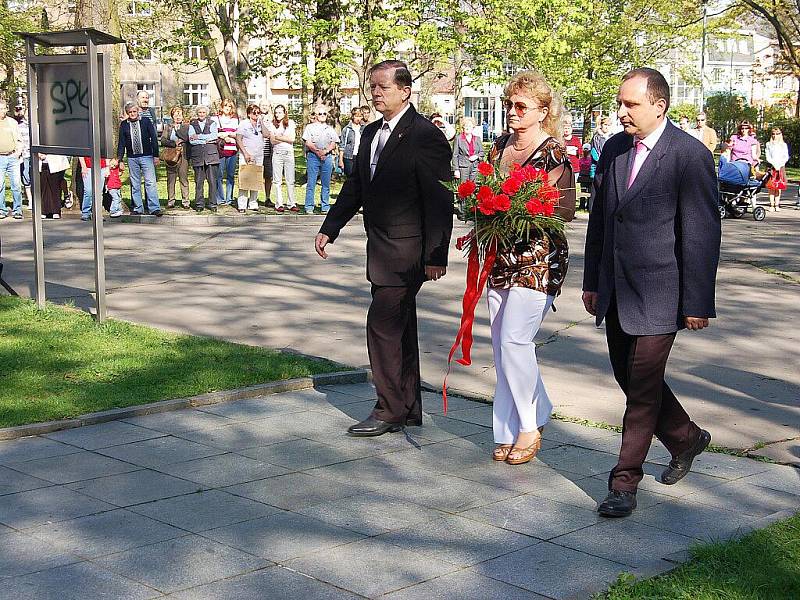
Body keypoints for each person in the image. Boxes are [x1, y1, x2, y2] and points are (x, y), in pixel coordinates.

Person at [583, 68, 720, 518]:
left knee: (641, 389)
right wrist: (591, 282)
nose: (621, 112)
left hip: (663, 292)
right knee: (629, 375)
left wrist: (697, 302)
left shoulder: (689, 155)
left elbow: (700, 232)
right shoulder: (616, 149)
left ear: (659, 105)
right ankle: (686, 437)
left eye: (631, 104)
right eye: (620, 103)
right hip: (617, 290)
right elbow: (601, 221)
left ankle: (624, 483)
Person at [314, 59, 453, 436]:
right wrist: (331, 228)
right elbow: (356, 187)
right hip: (380, 249)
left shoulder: (425, 134)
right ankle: (406, 408)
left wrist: (436, 255)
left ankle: (388, 408)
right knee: (400, 328)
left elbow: (439, 200)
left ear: (405, 90)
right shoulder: (370, 132)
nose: (375, 93)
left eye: (383, 87)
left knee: (382, 326)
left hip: (409, 252)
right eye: (372, 87)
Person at [485, 71, 576, 464]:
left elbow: (567, 208)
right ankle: (511, 426)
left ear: (543, 111)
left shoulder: (554, 152)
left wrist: (525, 209)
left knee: (514, 342)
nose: (511, 111)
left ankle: (528, 426)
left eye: (520, 106)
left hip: (540, 257)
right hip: (499, 255)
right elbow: (485, 191)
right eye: (508, 104)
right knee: (501, 347)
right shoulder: (499, 146)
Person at [117, 101, 162, 216]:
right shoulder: (124, 125)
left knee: (150, 182)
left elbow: (154, 138)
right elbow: (121, 143)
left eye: (134, 111)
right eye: (130, 112)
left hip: (147, 156)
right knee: (135, 183)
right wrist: (120, 159)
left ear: (138, 112)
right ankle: (138, 207)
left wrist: (156, 155)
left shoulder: (145, 121)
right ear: (127, 113)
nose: (132, 114)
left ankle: (154, 208)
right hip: (132, 158)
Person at [302, 105, 339, 214]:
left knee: (326, 183)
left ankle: (325, 206)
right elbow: (307, 142)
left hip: (326, 157)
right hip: (313, 156)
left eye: (324, 114)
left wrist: (326, 151)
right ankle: (309, 206)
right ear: (316, 115)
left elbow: (334, 143)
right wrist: (318, 152)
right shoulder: (310, 127)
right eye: (320, 114)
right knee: (311, 182)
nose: (322, 116)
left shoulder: (330, 128)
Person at [188, 105, 220, 213]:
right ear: (197, 114)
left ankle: (213, 203)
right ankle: (199, 204)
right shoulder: (192, 125)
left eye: (203, 112)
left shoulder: (212, 123)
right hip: (198, 156)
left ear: (206, 113)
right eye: (200, 112)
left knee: (212, 181)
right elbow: (192, 140)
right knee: (199, 182)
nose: (201, 114)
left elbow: (214, 136)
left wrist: (199, 137)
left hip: (211, 155)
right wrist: (206, 140)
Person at [267, 104, 298, 213]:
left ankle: (291, 203)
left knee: (290, 179)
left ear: (284, 113)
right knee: (277, 179)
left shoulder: (291, 123)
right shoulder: (272, 125)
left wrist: (279, 137)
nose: (278, 114)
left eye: (280, 112)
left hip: (288, 153)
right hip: (277, 153)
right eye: (276, 112)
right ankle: (279, 203)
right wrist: (284, 139)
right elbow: (272, 141)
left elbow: (292, 139)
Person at [236, 104, 265, 213]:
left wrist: (261, 122)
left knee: (256, 178)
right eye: (254, 112)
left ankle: (253, 203)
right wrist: (245, 153)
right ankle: (242, 204)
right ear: (249, 114)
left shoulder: (260, 124)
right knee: (245, 177)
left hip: (258, 154)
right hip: (246, 154)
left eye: (258, 113)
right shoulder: (244, 124)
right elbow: (239, 139)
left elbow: (266, 134)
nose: (256, 114)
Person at [161, 106, 191, 209]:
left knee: (183, 178)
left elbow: (189, 138)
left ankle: (186, 201)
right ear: (172, 116)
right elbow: (163, 140)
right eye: (175, 114)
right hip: (171, 154)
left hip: (184, 154)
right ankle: (171, 200)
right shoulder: (168, 127)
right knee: (171, 178)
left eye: (180, 114)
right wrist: (174, 143)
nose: (178, 116)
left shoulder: (187, 126)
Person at [0, 99, 23, 220]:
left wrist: (18, 152)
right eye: (1, 109)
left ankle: (17, 210)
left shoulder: (12, 122)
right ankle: (2, 209)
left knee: (16, 185)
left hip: (12, 157)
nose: (3, 111)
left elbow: (19, 139)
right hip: (0, 158)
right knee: (0, 185)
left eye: (4, 109)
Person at [215, 98, 240, 207]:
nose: (227, 108)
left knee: (230, 175)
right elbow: (214, 133)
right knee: (219, 175)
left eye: (229, 106)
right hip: (220, 150)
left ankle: (229, 198)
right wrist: (225, 136)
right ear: (222, 106)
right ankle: (220, 198)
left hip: (232, 150)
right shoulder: (216, 119)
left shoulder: (235, 120)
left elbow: (238, 134)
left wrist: (228, 134)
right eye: (225, 106)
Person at [452, 116, 484, 182]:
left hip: (475, 167)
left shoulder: (477, 139)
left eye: (470, 126)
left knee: (474, 187)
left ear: (473, 127)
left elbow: (482, 152)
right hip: (463, 168)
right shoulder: (458, 138)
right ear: (463, 127)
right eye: (466, 125)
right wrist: (456, 170)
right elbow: (455, 155)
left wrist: (476, 156)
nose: (467, 127)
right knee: (464, 188)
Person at [38, 154, 70, 219]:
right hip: (42, 162)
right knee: (44, 188)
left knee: (55, 188)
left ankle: (56, 211)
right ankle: (44, 211)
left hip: (56, 161)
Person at [765, 127, 789, 212]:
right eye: (773, 134)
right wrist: (774, 164)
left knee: (778, 186)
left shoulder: (783, 145)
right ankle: (771, 204)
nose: (775, 136)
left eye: (777, 134)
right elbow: (768, 156)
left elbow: (786, 156)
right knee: (771, 186)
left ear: (780, 135)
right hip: (772, 166)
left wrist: (780, 165)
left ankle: (777, 204)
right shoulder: (768, 144)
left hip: (780, 166)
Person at [13, 105, 32, 210]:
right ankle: (30, 200)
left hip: (35, 155)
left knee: (36, 177)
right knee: (26, 177)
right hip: (24, 155)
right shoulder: (19, 126)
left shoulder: (38, 125)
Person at [78, 155, 108, 221]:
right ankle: (86, 212)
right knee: (88, 191)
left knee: (99, 192)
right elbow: (80, 154)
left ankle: (98, 213)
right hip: (88, 167)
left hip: (101, 167)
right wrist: (83, 166)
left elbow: (106, 152)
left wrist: (107, 167)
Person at [339, 107, 364, 177]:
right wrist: (340, 160)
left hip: (360, 156)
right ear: (353, 116)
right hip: (349, 157)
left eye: (360, 116)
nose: (358, 118)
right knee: (350, 178)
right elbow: (342, 145)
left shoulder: (364, 128)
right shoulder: (347, 129)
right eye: (356, 116)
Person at [259, 102, 274, 207]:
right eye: (262, 105)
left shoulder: (273, 119)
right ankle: (252, 199)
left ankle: (267, 198)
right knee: (255, 175)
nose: (264, 107)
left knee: (268, 176)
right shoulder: (255, 117)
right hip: (257, 152)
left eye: (266, 105)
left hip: (269, 152)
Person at [562, 114, 582, 184]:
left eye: (568, 128)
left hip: (575, 167)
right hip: (563, 167)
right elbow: (560, 151)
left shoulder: (576, 140)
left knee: (573, 185)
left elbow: (579, 151)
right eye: (565, 128)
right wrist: (572, 149)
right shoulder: (560, 139)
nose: (566, 130)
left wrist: (569, 150)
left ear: (571, 129)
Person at [578, 142, 593, 208]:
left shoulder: (591, 159)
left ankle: (586, 205)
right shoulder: (582, 159)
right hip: (584, 176)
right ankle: (583, 205)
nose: (585, 151)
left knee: (587, 191)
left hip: (587, 176)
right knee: (584, 191)